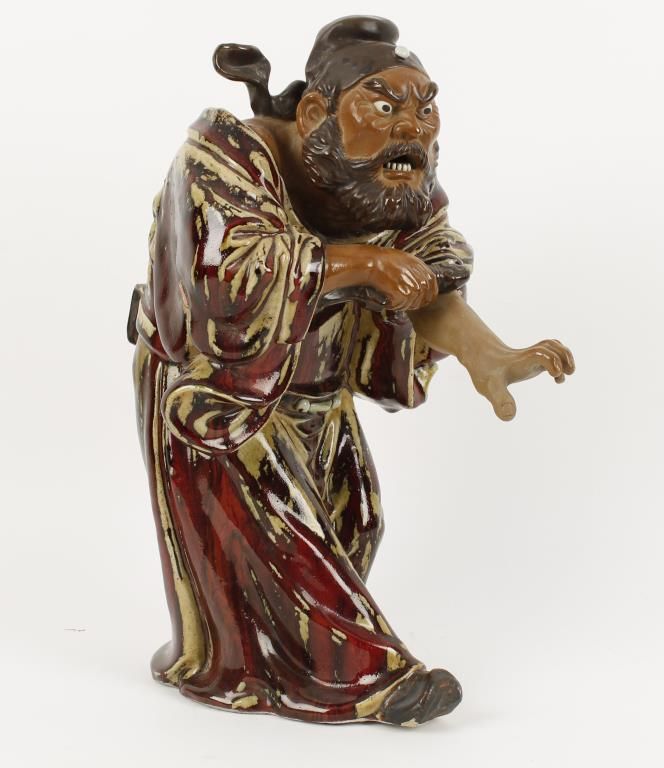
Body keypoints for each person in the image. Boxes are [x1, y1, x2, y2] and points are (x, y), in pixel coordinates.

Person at [128, 16, 574, 727]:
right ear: (315, 114)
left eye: (425, 108)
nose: (412, 129)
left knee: (356, 519)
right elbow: (226, 281)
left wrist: (488, 354)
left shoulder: (392, 185)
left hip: (318, 387)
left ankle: (289, 658)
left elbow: (425, 280)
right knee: (278, 532)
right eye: (386, 105)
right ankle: (370, 678)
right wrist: (358, 263)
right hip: (222, 398)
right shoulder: (222, 157)